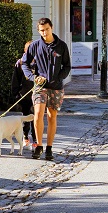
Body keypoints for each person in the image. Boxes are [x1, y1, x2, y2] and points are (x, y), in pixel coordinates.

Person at [22, 17, 72, 161]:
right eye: (42, 30)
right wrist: (33, 77)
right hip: (40, 86)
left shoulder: (61, 46)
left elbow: (67, 66)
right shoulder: (35, 46)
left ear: (52, 28)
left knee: (52, 116)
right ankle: (38, 145)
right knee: (38, 113)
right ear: (38, 31)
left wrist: (59, 77)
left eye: (47, 29)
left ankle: (49, 147)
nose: (44, 33)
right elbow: (24, 63)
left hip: (56, 87)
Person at [10, 41, 36, 146]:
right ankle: (25, 135)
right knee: (25, 117)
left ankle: (35, 139)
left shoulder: (39, 62)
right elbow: (15, 80)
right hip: (24, 95)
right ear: (25, 51)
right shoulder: (20, 63)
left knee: (36, 117)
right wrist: (16, 93)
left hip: (37, 94)